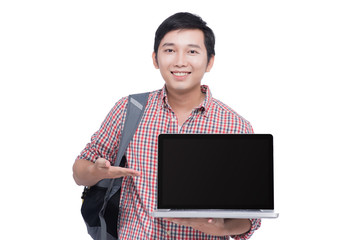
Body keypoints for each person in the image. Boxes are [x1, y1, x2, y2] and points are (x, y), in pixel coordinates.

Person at [73, 12, 261, 239]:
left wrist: (223, 228)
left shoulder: (235, 126)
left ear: (210, 61)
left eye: (192, 51)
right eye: (170, 50)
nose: (180, 61)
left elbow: (251, 216)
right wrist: (96, 171)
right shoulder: (129, 110)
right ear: (155, 58)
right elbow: (79, 172)